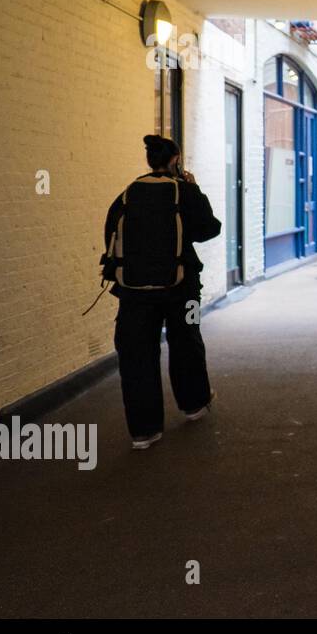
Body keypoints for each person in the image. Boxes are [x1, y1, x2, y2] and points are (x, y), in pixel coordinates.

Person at [103, 135, 221, 450]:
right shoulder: (183, 191)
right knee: (187, 340)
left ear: (149, 162)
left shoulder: (128, 194)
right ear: (176, 160)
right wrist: (193, 189)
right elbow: (209, 228)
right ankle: (194, 404)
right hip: (183, 289)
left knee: (136, 355)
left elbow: (111, 237)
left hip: (133, 292)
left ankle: (144, 430)